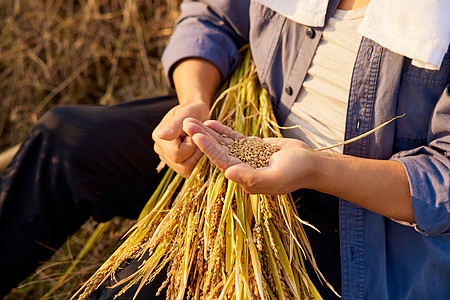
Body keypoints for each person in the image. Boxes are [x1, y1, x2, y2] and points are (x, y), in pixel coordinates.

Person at [0, 0, 449, 299]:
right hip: (239, 129)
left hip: (353, 208)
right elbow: (211, 16)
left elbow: (443, 178)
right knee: (66, 139)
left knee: (140, 285)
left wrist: (314, 169)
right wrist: (192, 101)